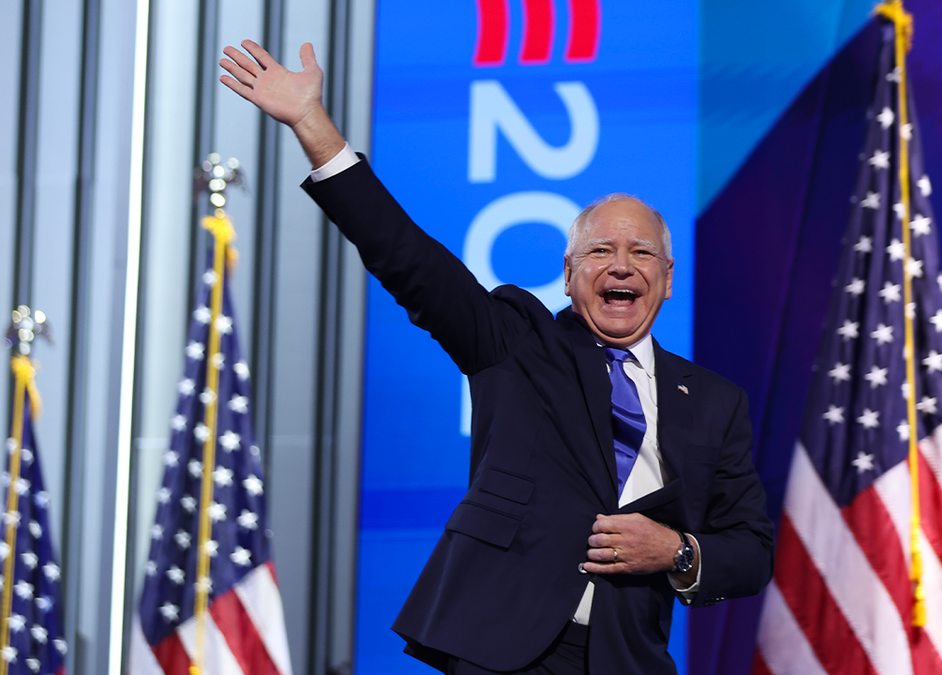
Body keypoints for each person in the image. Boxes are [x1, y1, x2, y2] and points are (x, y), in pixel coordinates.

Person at [219, 40, 774, 675]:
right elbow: (406, 257)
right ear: (568, 275)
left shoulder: (712, 401)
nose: (621, 265)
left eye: (641, 253)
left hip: (628, 658)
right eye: (600, 252)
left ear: (668, 278)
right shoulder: (515, 342)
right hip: (503, 650)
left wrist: (676, 551)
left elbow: (750, 550)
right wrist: (312, 125)